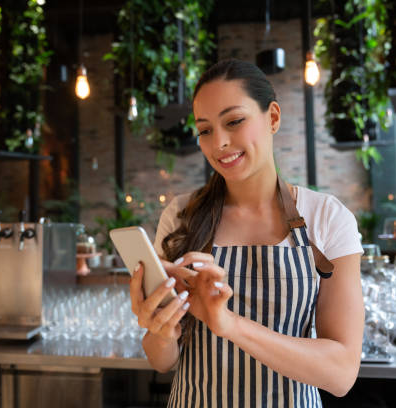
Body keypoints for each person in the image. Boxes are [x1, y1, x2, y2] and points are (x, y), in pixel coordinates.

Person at [129, 59, 364, 407]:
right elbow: (163, 361)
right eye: (205, 130)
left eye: (234, 121)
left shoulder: (327, 218)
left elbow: (341, 374)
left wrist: (229, 324)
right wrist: (159, 329)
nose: (219, 142)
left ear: (272, 117)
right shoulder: (181, 216)